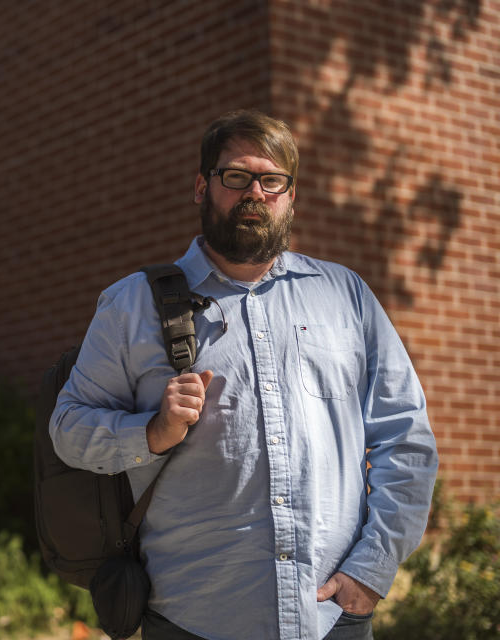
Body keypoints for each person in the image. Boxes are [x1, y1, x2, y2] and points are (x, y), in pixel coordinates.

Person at [49, 110, 438, 640]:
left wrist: (370, 570)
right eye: (236, 176)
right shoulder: (130, 305)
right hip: (192, 619)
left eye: (271, 179)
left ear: (290, 195)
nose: (255, 191)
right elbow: (69, 429)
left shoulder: (346, 296)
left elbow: (407, 438)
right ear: (201, 187)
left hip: (332, 620)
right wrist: (151, 433)